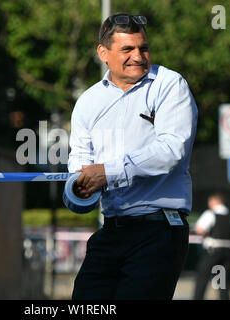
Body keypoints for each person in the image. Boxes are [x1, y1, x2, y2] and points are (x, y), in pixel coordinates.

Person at [67, 13, 198, 300]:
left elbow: (171, 150)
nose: (138, 56)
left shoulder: (170, 85)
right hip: (111, 228)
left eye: (143, 48)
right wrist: (79, 188)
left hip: (160, 230)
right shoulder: (88, 102)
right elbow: (79, 161)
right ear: (104, 53)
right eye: (127, 49)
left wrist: (108, 172)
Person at [192, 193, 230, 300]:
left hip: (213, 251)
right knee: (223, 281)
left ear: (214, 202)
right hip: (228, 251)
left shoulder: (210, 214)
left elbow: (200, 229)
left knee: (202, 278)